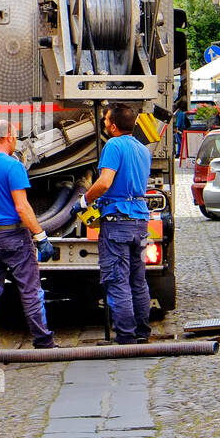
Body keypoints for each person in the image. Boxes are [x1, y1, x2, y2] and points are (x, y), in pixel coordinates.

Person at [0, 120, 57, 350]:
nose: (16, 140)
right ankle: (43, 341)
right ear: (8, 136)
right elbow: (22, 207)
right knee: (30, 291)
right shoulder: (13, 167)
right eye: (15, 135)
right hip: (15, 238)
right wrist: (40, 236)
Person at [78, 103, 153, 344]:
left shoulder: (113, 145)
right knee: (138, 280)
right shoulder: (143, 150)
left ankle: (125, 336)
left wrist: (83, 200)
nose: (104, 124)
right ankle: (142, 332)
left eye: (106, 120)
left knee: (117, 280)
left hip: (117, 222)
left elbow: (104, 182)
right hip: (140, 221)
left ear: (113, 125)